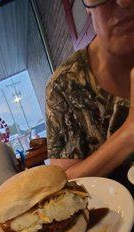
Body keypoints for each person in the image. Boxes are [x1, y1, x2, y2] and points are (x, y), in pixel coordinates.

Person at [46, 0, 134, 179]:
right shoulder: (64, 86)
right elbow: (64, 180)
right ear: (86, 5)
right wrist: (128, 134)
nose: (125, 2)